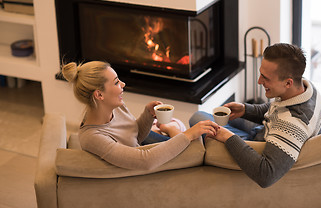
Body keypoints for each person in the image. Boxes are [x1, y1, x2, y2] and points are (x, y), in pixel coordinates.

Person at [190, 43, 321, 188]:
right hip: (266, 130)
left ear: (288, 83)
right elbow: (277, 109)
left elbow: (266, 175)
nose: (259, 81)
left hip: (260, 143)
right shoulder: (306, 89)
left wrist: (228, 138)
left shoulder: (292, 125)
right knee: (209, 117)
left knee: (198, 118)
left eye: (266, 78)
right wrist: (245, 110)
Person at [61, 60, 219, 170]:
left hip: (141, 151)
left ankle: (172, 128)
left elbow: (134, 136)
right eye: (116, 82)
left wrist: (148, 115)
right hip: (144, 170)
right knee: (198, 142)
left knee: (196, 128)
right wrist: (189, 135)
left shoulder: (114, 106)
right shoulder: (92, 137)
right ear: (99, 95)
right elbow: (146, 161)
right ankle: (173, 129)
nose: (123, 84)